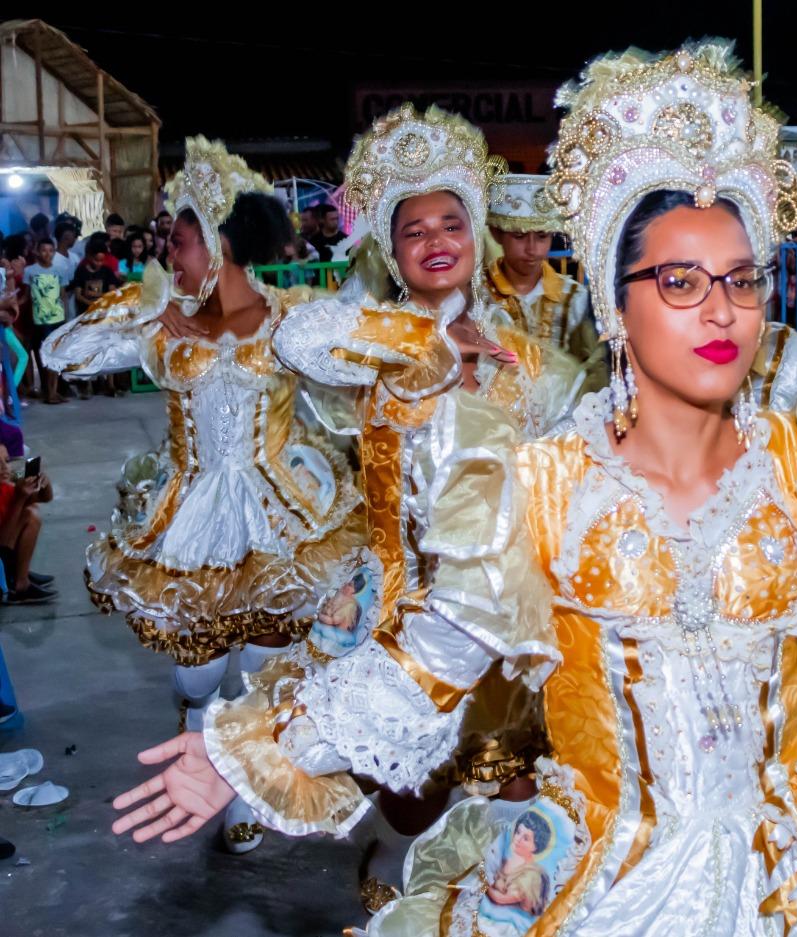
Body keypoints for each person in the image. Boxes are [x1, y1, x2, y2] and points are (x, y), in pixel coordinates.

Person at [113, 42, 797, 936]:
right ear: (614, 302)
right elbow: (431, 655)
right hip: (614, 880)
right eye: (680, 280)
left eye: (742, 278)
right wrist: (253, 750)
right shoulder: (546, 480)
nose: (721, 307)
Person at [268, 105, 585, 912]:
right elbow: (295, 339)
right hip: (397, 622)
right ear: (390, 247)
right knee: (411, 804)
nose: (438, 239)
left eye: (453, 221)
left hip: (494, 619)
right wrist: (433, 346)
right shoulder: (372, 341)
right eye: (415, 229)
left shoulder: (526, 359)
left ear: (478, 232)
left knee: (513, 803)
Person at [42, 137, 365, 854]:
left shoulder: (290, 321)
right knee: (197, 677)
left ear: (219, 243)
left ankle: (236, 784)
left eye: (180, 240)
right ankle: (194, 729)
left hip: (281, 520)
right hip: (188, 526)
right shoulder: (168, 331)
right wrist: (139, 309)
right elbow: (57, 354)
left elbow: (359, 378)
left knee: (256, 666)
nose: (169, 252)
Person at [483, 173, 596, 365]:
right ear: (496, 234)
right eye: (519, 236)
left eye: (542, 237)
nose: (532, 249)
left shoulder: (575, 298)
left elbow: (592, 365)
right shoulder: (478, 295)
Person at [0, 458, 55, 604]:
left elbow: (45, 498)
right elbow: (3, 544)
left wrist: (45, 483)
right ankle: (20, 583)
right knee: (29, 514)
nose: (5, 467)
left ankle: (19, 573)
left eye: (6, 461)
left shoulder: (4, 488)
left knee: (30, 513)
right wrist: (20, 498)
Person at [26, 238, 70, 405]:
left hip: (57, 318)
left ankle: (53, 391)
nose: (47, 254)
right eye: (44, 250)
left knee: (56, 356)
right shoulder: (30, 271)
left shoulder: (60, 270)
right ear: (37, 251)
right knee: (46, 356)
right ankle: (49, 392)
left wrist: (65, 318)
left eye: (51, 250)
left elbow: (63, 295)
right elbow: (28, 296)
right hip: (40, 320)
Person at [69, 239, 123, 316]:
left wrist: (96, 295)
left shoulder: (107, 271)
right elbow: (78, 295)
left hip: (103, 312)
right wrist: (92, 304)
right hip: (85, 313)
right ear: (89, 256)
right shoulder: (81, 271)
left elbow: (112, 293)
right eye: (96, 260)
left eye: (102, 260)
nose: (99, 263)